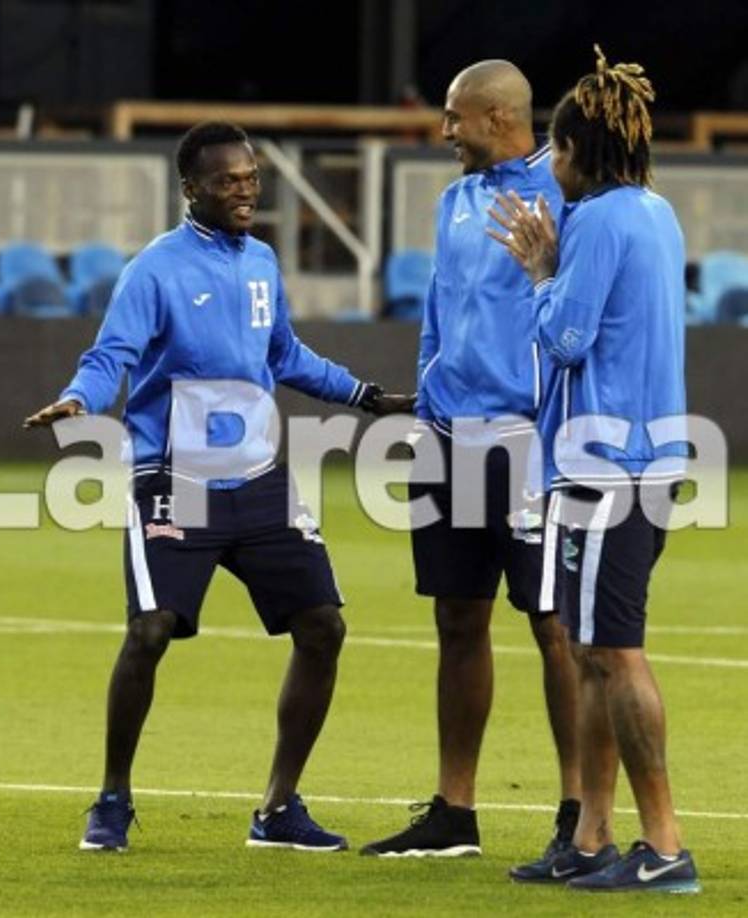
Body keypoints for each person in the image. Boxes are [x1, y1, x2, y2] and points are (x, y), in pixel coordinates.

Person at [25, 121, 412, 853]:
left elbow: (285, 354)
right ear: (191, 188)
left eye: (251, 178)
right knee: (150, 630)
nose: (245, 191)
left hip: (259, 478)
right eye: (228, 180)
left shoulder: (261, 261)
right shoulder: (154, 270)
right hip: (176, 478)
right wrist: (80, 399)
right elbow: (112, 355)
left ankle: (279, 808)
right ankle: (112, 799)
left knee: (323, 627)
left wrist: (366, 397)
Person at [488, 46, 698, 894]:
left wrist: (542, 273)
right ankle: (590, 837)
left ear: (577, 149)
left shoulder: (601, 221)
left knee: (614, 651)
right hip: (637, 456)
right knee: (587, 650)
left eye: (557, 148)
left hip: (610, 464)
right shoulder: (656, 213)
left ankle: (664, 844)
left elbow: (566, 339)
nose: (551, 163)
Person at [361, 60, 582, 868]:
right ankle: (454, 811)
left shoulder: (564, 192)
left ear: (497, 116)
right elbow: (439, 311)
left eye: (455, 117)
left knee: (555, 625)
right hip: (448, 434)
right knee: (457, 618)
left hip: (528, 440)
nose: (444, 130)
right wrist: (427, 402)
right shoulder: (454, 200)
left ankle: (579, 811)